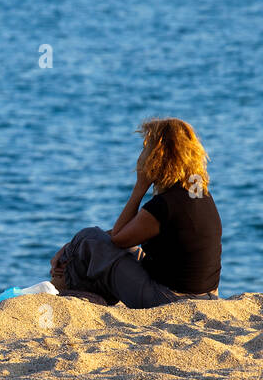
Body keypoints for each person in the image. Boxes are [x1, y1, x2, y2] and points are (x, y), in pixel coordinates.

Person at [50, 118, 221, 308]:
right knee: (96, 242)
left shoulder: (164, 205)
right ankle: (80, 290)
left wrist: (140, 188)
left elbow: (117, 239)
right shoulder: (197, 191)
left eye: (145, 148)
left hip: (168, 298)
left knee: (89, 237)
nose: (141, 156)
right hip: (207, 296)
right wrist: (71, 246)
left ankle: (62, 291)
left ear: (158, 156)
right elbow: (127, 234)